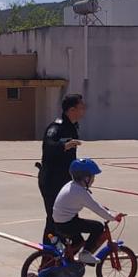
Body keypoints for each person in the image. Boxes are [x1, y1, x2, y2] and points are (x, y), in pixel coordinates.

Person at [52, 158, 123, 265]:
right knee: (97, 227)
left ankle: (66, 263)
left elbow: (93, 204)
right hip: (67, 224)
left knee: (79, 242)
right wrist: (113, 217)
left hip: (60, 222)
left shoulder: (72, 185)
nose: (94, 179)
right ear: (86, 178)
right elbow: (96, 208)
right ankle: (85, 254)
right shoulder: (80, 192)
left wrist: (103, 209)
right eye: (93, 177)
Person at [37, 93, 85, 240]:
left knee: (68, 216)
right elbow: (48, 145)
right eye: (81, 107)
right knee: (54, 218)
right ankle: (47, 252)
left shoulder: (72, 127)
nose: (83, 110)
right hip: (51, 181)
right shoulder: (56, 127)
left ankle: (71, 248)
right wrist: (64, 145)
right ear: (72, 110)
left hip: (64, 180)